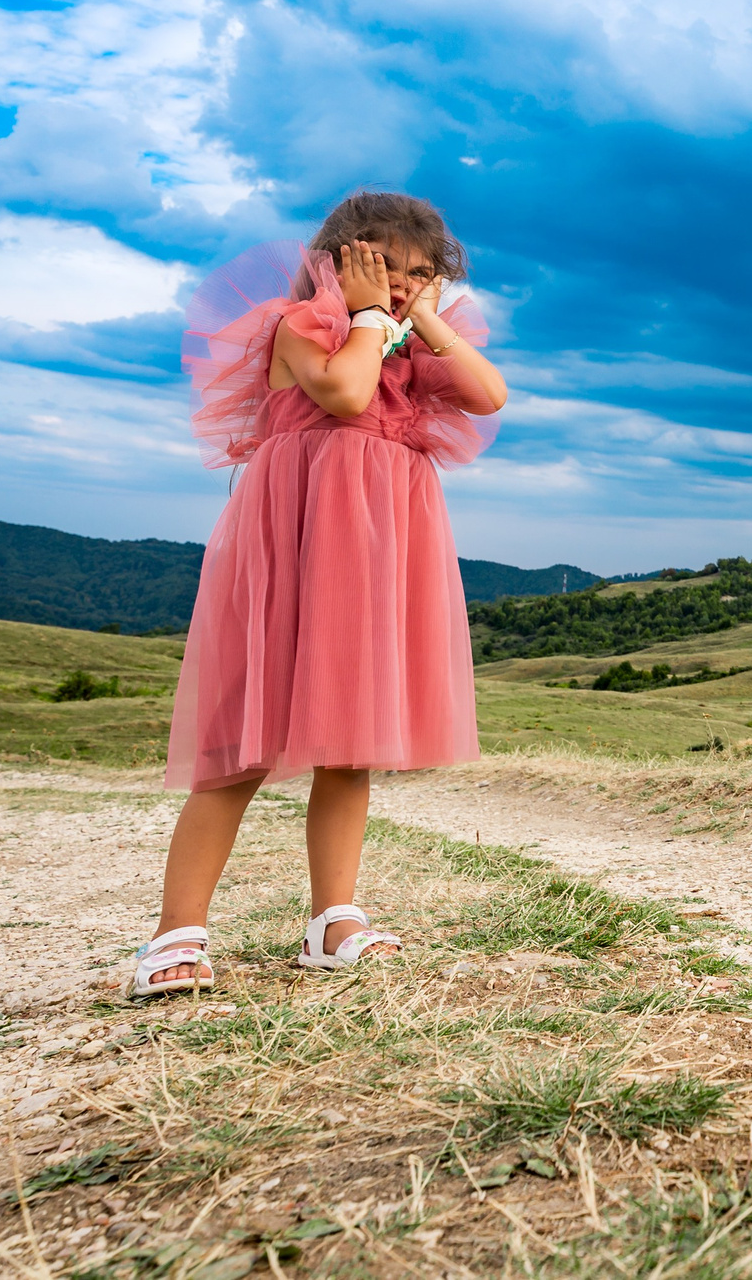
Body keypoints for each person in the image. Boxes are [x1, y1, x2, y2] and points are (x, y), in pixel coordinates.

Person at [127, 191, 510, 996]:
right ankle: (176, 932)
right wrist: (368, 316)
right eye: (380, 264)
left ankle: (332, 920)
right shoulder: (303, 327)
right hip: (295, 546)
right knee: (241, 738)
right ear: (335, 262)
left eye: (416, 271)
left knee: (349, 739)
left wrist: (428, 322)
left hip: (374, 556)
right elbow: (342, 394)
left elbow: (489, 395)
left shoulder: (411, 349)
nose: (398, 283)